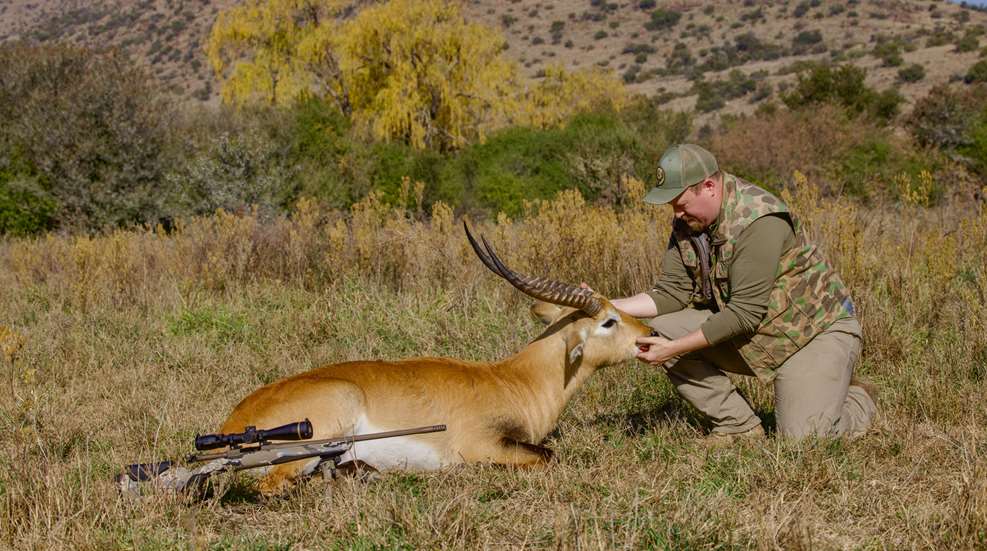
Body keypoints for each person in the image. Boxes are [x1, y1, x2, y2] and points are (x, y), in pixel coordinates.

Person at [610, 144, 876, 441]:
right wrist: (606, 305)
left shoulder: (759, 220)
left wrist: (675, 349)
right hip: (759, 332)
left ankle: (856, 399)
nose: (676, 212)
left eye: (680, 203)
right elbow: (671, 293)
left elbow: (745, 313)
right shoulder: (690, 220)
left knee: (804, 440)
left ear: (709, 186)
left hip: (812, 335)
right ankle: (738, 426)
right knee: (658, 331)